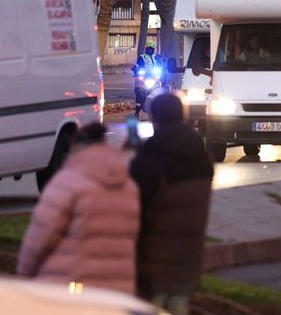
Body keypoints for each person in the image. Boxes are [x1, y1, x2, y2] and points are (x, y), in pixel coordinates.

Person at [16, 123, 140, 294]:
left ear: (76, 147)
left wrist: (25, 271)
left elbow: (42, 235)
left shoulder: (67, 184)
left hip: (77, 285)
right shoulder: (128, 186)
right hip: (118, 288)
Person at [129, 92, 214, 314]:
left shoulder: (152, 156)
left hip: (155, 249)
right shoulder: (199, 154)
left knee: (153, 304)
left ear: (154, 117)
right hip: (189, 249)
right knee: (177, 303)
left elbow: (137, 202)